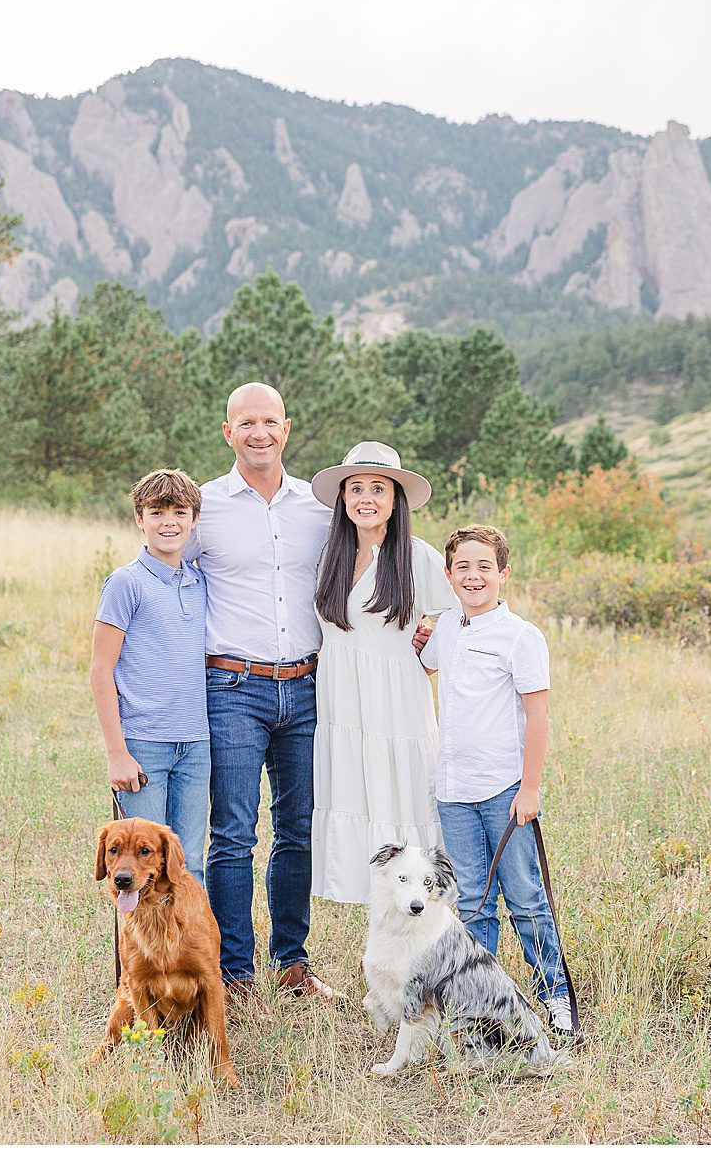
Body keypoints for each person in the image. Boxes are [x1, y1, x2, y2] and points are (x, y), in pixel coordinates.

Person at [182, 382, 340, 1004]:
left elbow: (364, 571)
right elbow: (168, 572)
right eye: (246, 423)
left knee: (299, 828)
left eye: (269, 422)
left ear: (287, 428)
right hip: (232, 685)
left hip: (305, 686)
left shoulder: (318, 509)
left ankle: (293, 963)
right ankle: (236, 972)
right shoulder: (204, 506)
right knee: (234, 832)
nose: (259, 433)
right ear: (228, 432)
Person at [418, 523, 574, 1036]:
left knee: (526, 898)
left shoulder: (521, 637)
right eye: (462, 566)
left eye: (485, 566)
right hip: (454, 791)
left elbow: (538, 716)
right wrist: (420, 635)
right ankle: (483, 1006)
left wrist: (529, 789)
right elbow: (424, 667)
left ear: (503, 573)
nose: (473, 575)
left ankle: (555, 998)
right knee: (472, 904)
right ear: (449, 574)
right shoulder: (445, 630)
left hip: (505, 790)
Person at [308, 442, 455, 905]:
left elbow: (459, 622)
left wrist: (429, 642)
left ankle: (423, 929)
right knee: (358, 804)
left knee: (402, 804)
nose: (365, 498)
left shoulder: (418, 556)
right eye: (355, 488)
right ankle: (377, 930)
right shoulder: (329, 555)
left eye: (378, 488)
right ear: (343, 498)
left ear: (396, 500)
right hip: (344, 707)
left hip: (397, 706)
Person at [90, 469, 210, 883]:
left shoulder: (200, 582)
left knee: (187, 863)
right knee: (136, 868)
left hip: (196, 743)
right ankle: (138, 951)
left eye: (179, 512)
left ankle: (185, 950)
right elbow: (100, 669)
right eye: (156, 512)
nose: (169, 522)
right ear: (139, 518)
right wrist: (116, 751)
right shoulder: (126, 583)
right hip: (143, 746)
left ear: (194, 519)